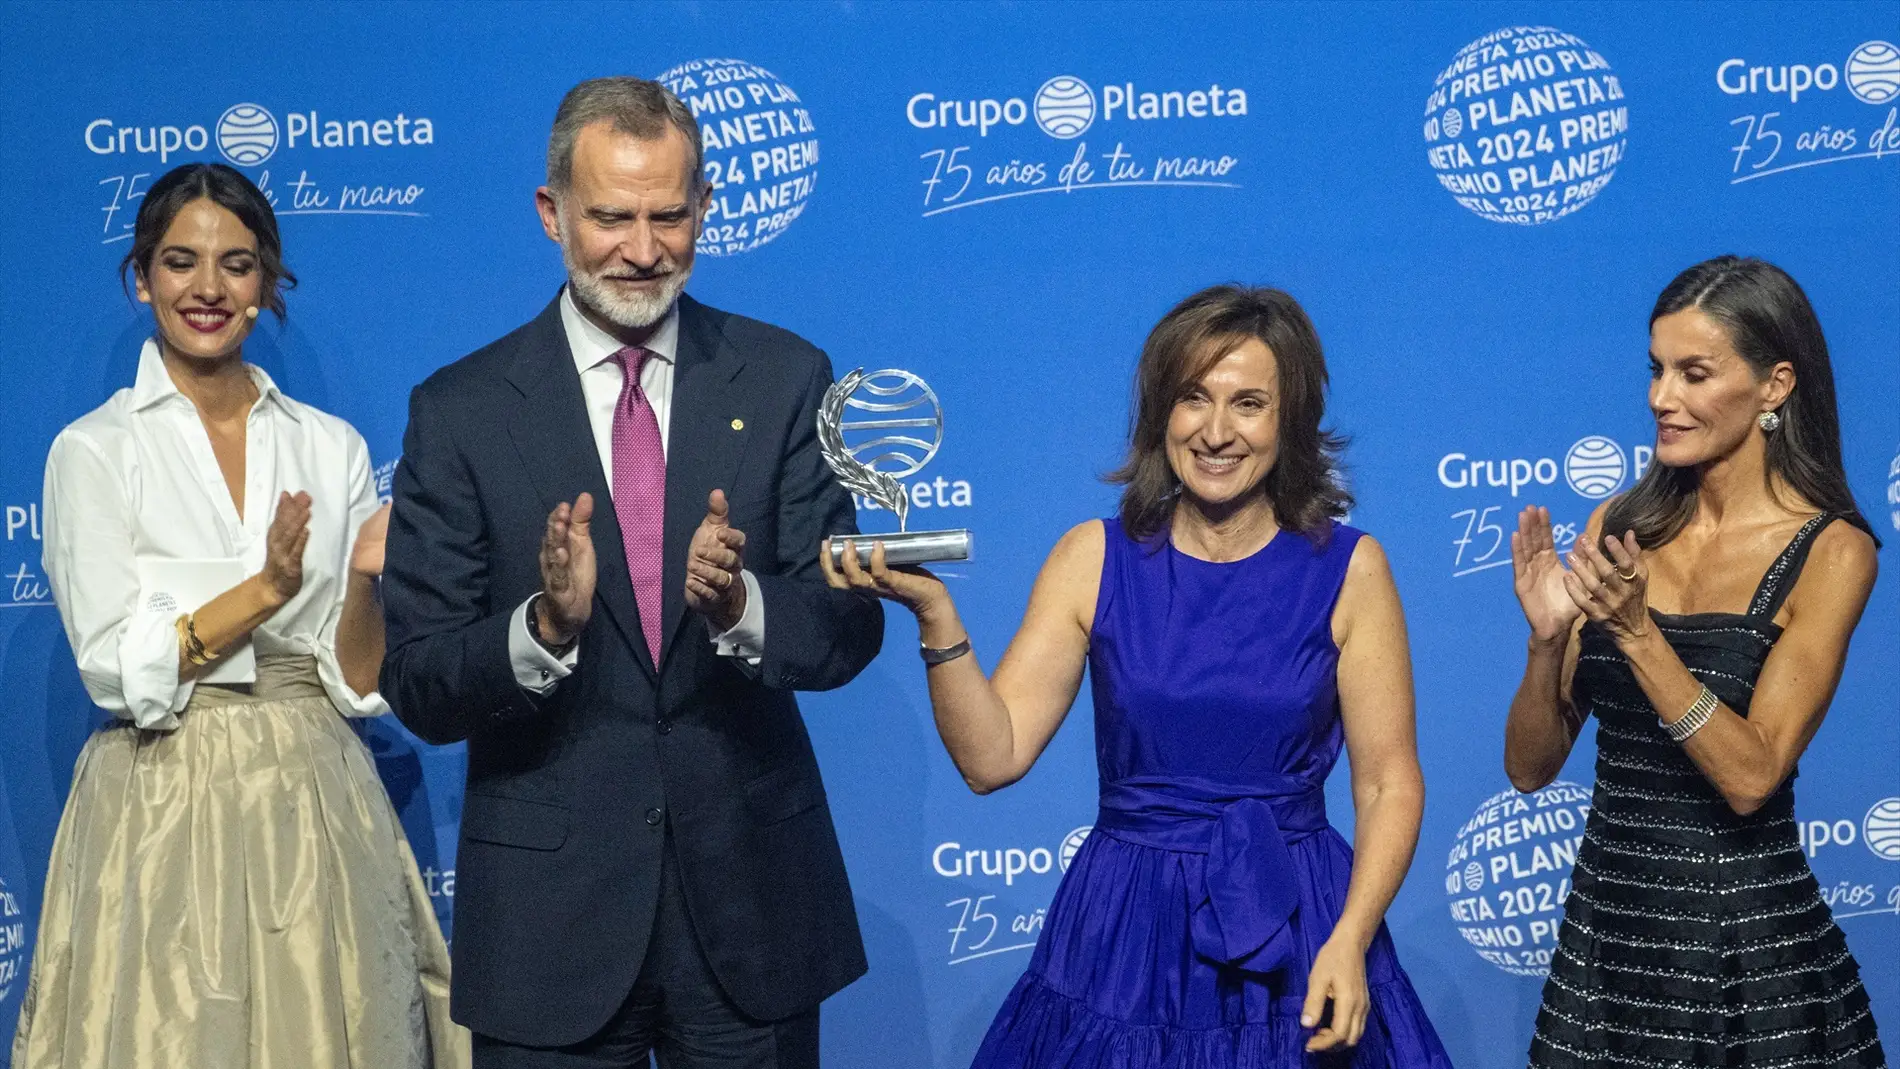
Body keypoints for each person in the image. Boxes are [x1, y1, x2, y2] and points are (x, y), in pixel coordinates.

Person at [379, 77, 883, 1069]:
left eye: (668, 215)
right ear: (551, 214)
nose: (642, 250)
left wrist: (742, 607)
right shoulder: (462, 410)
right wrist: (542, 628)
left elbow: (845, 630)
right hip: (546, 932)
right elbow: (423, 684)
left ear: (705, 208)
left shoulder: (787, 379)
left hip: (752, 915)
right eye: (610, 217)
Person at [824, 285, 1452, 1066]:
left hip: (1302, 923)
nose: (1217, 431)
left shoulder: (1351, 568)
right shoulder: (1091, 557)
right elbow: (993, 756)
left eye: (1249, 403)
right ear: (1161, 412)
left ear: (1290, 420)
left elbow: (1390, 784)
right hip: (1126, 930)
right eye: (1194, 398)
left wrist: (1351, 937)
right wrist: (938, 621)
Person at [14, 163, 465, 1068]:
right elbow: (112, 664)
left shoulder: (328, 444)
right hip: (158, 793)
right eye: (181, 262)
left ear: (268, 282)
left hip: (317, 796)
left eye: (239, 263)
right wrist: (262, 590)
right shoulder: (95, 451)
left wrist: (367, 583)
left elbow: (355, 679)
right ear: (143, 278)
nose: (209, 288)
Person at [1506, 256, 1885, 1067]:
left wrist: (1641, 637)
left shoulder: (1833, 551)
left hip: (1748, 956)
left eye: (1694, 373)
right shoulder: (1620, 520)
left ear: (1775, 385)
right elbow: (1531, 768)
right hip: (1607, 950)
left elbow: (1753, 777)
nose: (1660, 398)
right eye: (1656, 369)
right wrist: (1545, 644)